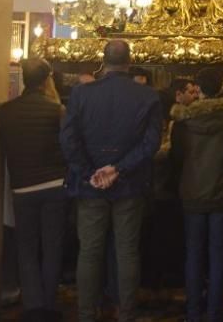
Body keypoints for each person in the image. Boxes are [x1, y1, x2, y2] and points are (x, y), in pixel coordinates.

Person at [60, 40, 162, 322]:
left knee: (90, 253)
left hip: (90, 186)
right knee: (127, 252)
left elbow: (68, 140)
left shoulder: (81, 94)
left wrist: (88, 173)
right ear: (129, 62)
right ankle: (126, 314)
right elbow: (151, 143)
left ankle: (86, 314)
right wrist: (119, 169)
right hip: (129, 185)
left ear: (103, 62)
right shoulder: (147, 96)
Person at [170, 69, 223, 322]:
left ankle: (192, 311)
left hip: (192, 193)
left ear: (198, 89)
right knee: (219, 254)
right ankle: (214, 312)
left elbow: (177, 159)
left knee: (193, 254)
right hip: (222, 195)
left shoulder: (183, 122)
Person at [0, 58, 67, 321]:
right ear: (46, 79)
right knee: (52, 246)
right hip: (53, 185)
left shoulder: (5, 111)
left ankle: (33, 305)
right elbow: (66, 146)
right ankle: (49, 304)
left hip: (22, 187)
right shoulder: (56, 109)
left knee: (26, 247)